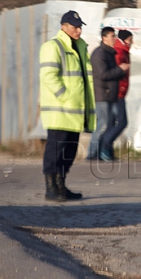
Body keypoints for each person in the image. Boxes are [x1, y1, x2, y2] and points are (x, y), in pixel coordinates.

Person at [39, 11, 96, 202]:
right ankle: (50, 188)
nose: (78, 30)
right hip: (60, 110)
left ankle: (61, 186)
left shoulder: (80, 47)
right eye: (74, 27)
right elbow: (48, 75)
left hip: (75, 111)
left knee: (70, 151)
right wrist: (65, 96)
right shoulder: (53, 46)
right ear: (63, 27)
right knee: (55, 149)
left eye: (80, 27)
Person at [88, 27, 130, 162]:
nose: (114, 39)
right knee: (103, 125)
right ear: (104, 38)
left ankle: (102, 152)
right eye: (111, 36)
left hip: (110, 94)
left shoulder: (109, 53)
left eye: (114, 36)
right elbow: (102, 74)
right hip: (103, 94)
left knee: (109, 124)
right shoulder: (99, 54)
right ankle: (92, 153)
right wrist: (120, 69)